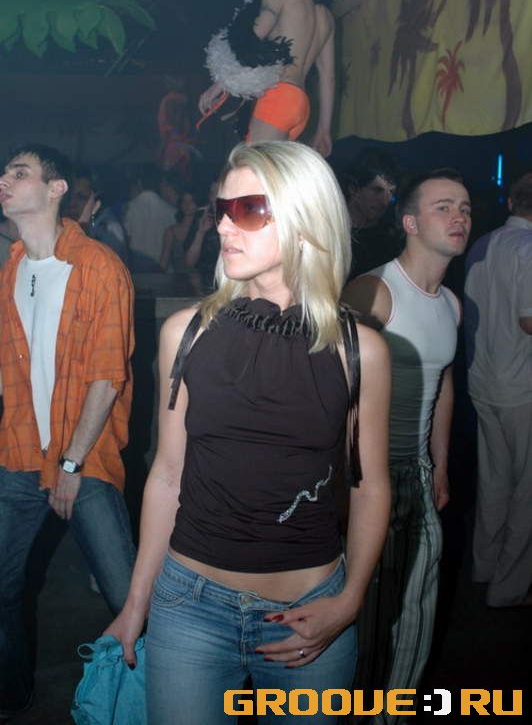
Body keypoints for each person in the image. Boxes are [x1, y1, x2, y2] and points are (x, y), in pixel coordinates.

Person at [105, 141, 391, 725]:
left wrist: (349, 600)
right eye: (221, 209)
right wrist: (136, 602)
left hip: (308, 612)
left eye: (249, 210)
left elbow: (371, 487)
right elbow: (167, 475)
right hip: (189, 607)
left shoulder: (359, 350)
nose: (223, 226)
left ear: (306, 219)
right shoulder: (186, 333)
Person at [0, 144, 136, 721]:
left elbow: (107, 378)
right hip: (19, 454)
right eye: (5, 172)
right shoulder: (10, 268)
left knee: (126, 598)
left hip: (86, 457)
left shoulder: (98, 266)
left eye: (20, 172)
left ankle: (161, 701)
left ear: (57, 189)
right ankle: (10, 696)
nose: (4, 180)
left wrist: (73, 465)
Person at [343, 168, 471, 721]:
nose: (460, 217)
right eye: (444, 207)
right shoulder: (375, 290)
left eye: (465, 208)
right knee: (367, 612)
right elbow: (334, 388)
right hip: (367, 474)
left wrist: (439, 466)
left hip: (416, 471)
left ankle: (391, 712)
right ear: (411, 223)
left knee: (417, 605)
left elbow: (443, 386)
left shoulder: (452, 304)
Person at [199, 0, 335, 156]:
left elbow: (250, 40)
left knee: (253, 170)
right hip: (300, 103)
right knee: (269, 173)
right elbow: (328, 77)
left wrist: (219, 85)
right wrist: (324, 130)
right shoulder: (325, 13)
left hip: (279, 97)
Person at [464, 172, 532, 608]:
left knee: (493, 482)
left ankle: (484, 567)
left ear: (510, 202)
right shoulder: (529, 248)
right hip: (521, 386)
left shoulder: (482, 244)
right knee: (527, 490)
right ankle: (509, 588)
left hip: (482, 378)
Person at [342, 148, 402, 278]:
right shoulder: (329, 230)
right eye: (377, 190)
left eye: (391, 192)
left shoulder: (391, 240)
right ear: (354, 189)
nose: (385, 201)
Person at [67, 165, 129, 262]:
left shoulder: (109, 230)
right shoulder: (69, 226)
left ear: (96, 202)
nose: (72, 203)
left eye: (81, 197)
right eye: (69, 197)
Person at [124, 163, 176, 272]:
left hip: (137, 269)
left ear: (139, 183)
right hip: (163, 270)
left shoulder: (129, 208)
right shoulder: (170, 210)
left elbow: (125, 241)